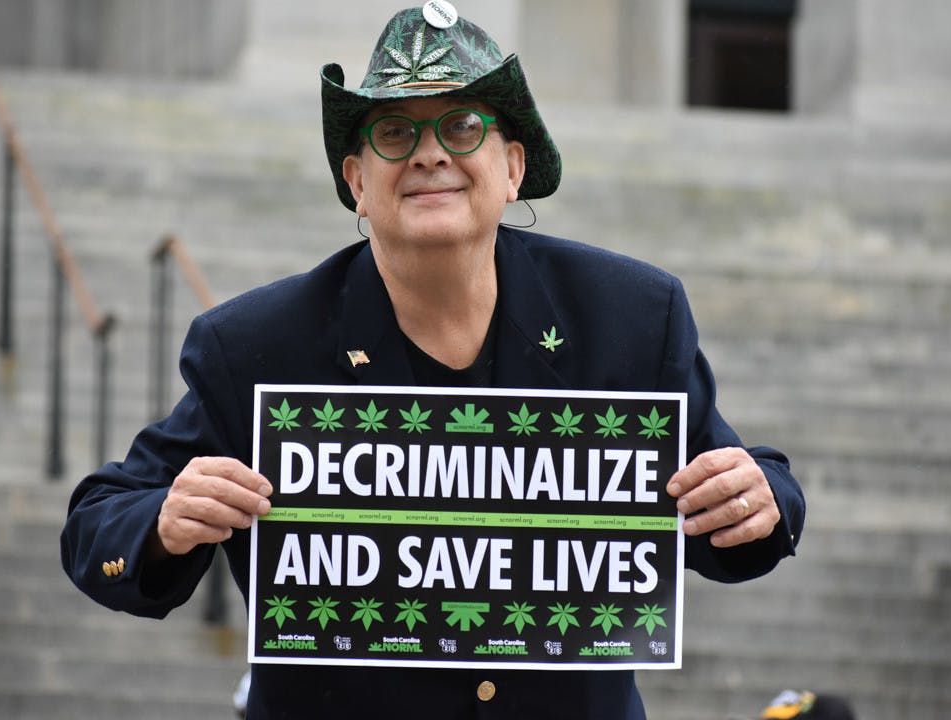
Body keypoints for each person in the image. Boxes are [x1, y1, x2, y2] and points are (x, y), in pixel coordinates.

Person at [60, 4, 805, 719]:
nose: (428, 152)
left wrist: (758, 498)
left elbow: (748, 490)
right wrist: (163, 522)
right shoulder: (256, 346)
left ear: (513, 168)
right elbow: (98, 522)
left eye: (461, 124)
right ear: (356, 182)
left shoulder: (632, 319)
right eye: (393, 131)